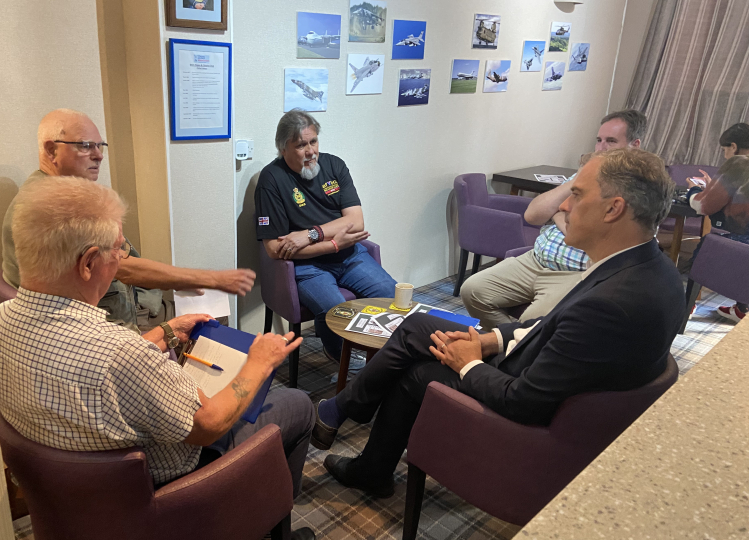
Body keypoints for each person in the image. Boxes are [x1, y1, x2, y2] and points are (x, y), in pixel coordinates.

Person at [312, 148, 685, 499]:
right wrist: (489, 339)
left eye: (578, 194)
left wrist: (468, 363)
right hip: (545, 371)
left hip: (529, 411)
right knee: (419, 326)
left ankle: (366, 457)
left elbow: (524, 401)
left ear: (613, 209)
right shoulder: (649, 269)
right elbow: (549, 323)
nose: (565, 206)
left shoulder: (611, 304)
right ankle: (345, 409)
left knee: (418, 372)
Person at [0, 177, 316, 540]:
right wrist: (260, 361)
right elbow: (207, 426)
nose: (122, 259)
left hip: (73, 501)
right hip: (166, 494)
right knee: (297, 404)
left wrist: (165, 333)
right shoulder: (121, 353)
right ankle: (267, 520)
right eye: (119, 250)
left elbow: (90, 359)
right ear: (88, 263)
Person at [1, 108, 256, 333]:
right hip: (106, 326)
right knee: (214, 320)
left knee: (209, 310)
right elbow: (122, 267)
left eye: (100, 146)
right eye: (86, 145)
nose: (98, 155)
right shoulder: (55, 206)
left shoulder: (49, 191)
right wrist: (211, 279)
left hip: (122, 306)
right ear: (51, 149)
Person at [460, 109, 647, 331]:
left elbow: (588, 232)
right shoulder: (584, 176)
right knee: (472, 290)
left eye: (611, 141)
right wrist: (578, 179)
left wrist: (559, 214)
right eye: (599, 140)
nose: (601, 148)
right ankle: (515, 345)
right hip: (535, 259)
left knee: (530, 321)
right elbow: (533, 215)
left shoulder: (637, 191)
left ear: (634, 146)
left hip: (573, 272)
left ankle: (521, 344)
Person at [255, 109, 396, 362]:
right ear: (282, 148)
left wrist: (310, 234)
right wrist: (332, 243)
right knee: (336, 311)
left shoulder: (334, 165)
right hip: (307, 267)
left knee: (390, 294)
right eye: (300, 145)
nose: (310, 151)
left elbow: (355, 221)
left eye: (313, 141)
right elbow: (274, 248)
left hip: (350, 256)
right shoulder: (271, 180)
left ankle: (382, 358)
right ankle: (341, 359)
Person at [687, 146, 749, 322]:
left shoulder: (738, 164)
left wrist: (695, 190)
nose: (724, 153)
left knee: (706, 246)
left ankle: (687, 304)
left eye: (723, 149)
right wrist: (712, 187)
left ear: (733, 147)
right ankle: (741, 308)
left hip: (736, 244)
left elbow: (703, 206)